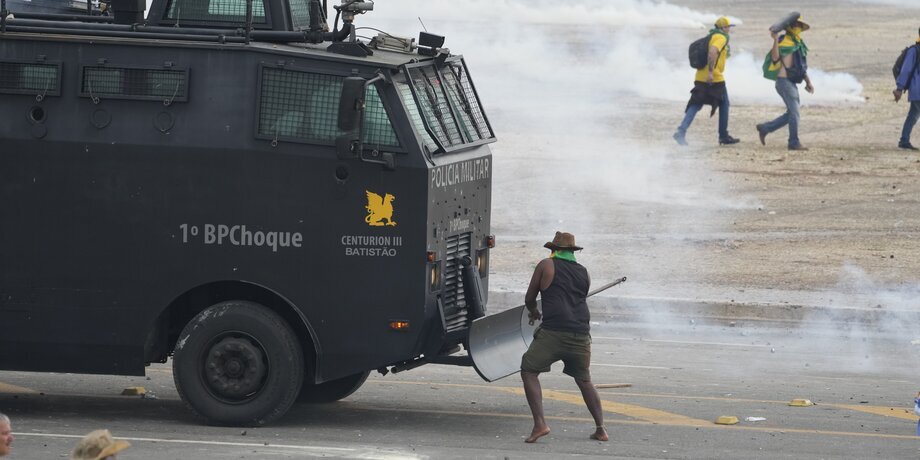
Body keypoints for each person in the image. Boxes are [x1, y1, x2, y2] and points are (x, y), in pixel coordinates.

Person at [520, 231, 607, 443]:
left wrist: (534, 311)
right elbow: (574, 298)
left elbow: (530, 297)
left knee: (529, 370)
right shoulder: (583, 272)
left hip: (554, 332)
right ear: (572, 252)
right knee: (585, 381)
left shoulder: (546, 265)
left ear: (554, 250)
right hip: (581, 333)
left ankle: (540, 424)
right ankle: (601, 429)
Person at [673, 16, 740, 147]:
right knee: (724, 104)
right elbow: (712, 52)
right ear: (724, 28)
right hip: (714, 78)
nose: (729, 30)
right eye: (728, 27)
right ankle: (723, 136)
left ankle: (681, 131)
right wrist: (710, 72)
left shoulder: (711, 35)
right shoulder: (720, 38)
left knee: (696, 104)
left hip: (700, 76)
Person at [757, 17, 815, 151]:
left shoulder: (798, 43)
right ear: (790, 27)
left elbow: (800, 66)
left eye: (800, 25)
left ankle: (765, 128)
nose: (798, 27)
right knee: (795, 113)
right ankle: (793, 142)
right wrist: (775, 39)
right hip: (783, 82)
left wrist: (808, 81)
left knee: (792, 113)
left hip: (791, 82)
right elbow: (775, 58)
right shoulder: (783, 40)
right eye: (796, 24)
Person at [893, 27, 920, 151]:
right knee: (913, 115)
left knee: (913, 115)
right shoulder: (914, 51)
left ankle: (904, 140)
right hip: (917, 90)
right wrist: (899, 88)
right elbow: (906, 70)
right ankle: (904, 140)